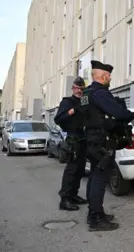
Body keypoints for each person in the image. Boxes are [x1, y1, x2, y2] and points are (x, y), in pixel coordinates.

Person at [80, 60, 134, 231]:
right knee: (99, 179)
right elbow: (118, 113)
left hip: (91, 140)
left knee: (94, 177)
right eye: (109, 76)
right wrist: (129, 114)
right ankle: (96, 219)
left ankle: (95, 212)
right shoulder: (100, 92)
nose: (110, 78)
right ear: (103, 76)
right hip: (102, 142)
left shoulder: (86, 94)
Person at [54, 76, 88, 211]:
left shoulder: (85, 101)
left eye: (81, 88)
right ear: (73, 88)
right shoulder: (67, 102)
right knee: (72, 169)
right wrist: (71, 112)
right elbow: (58, 119)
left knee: (80, 169)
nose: (79, 91)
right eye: (77, 88)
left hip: (84, 137)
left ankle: (73, 195)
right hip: (73, 137)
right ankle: (65, 199)